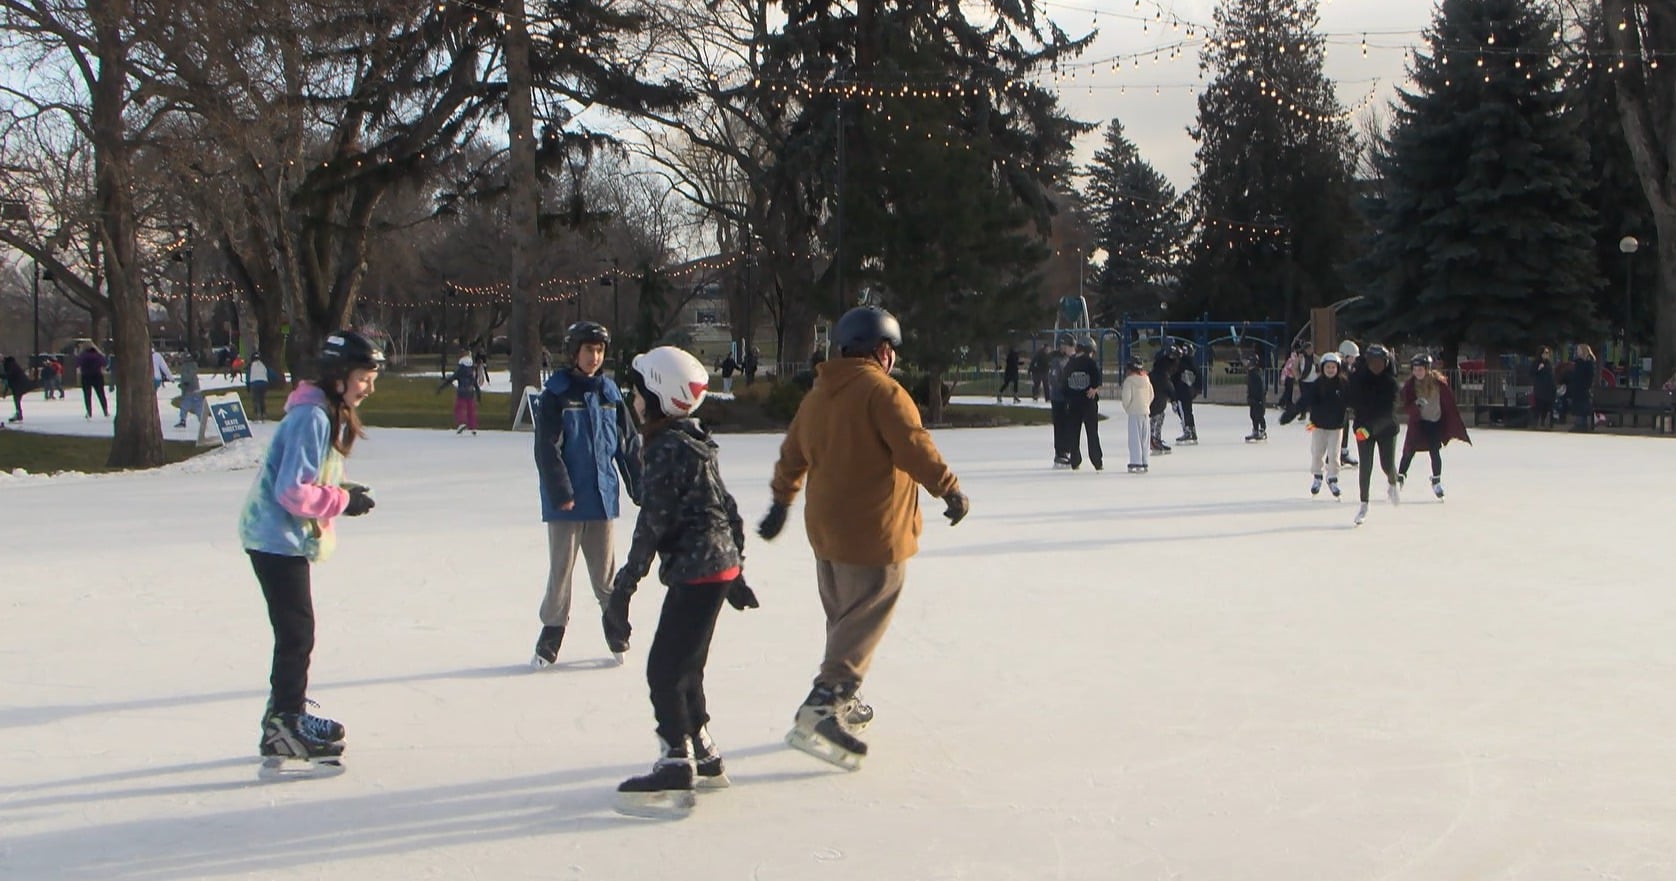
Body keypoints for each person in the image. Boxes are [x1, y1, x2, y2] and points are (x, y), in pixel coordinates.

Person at [758, 305, 968, 770]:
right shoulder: (882, 392)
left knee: (843, 617)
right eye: (890, 348)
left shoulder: (818, 395)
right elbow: (914, 446)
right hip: (874, 531)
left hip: (827, 532)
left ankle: (844, 699)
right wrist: (949, 489)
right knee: (865, 615)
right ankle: (823, 704)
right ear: (881, 351)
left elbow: (792, 453)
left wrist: (781, 501)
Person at [608, 346, 758, 818]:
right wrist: (736, 569)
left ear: (657, 398)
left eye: (638, 393)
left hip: (699, 570)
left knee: (664, 671)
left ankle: (676, 762)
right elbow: (727, 507)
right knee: (686, 666)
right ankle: (706, 755)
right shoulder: (695, 439)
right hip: (717, 566)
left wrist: (623, 588)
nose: (633, 402)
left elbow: (651, 522)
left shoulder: (665, 448)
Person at [238, 330, 383, 777]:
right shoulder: (313, 419)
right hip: (274, 537)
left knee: (296, 631)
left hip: (278, 537)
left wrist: (340, 490)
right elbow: (292, 491)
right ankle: (284, 723)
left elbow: (307, 479)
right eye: (363, 378)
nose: (369, 388)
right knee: (297, 633)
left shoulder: (319, 414)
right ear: (339, 376)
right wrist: (342, 502)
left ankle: (284, 714)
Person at [531, 321, 642, 668]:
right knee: (561, 570)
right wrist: (561, 490)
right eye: (588, 349)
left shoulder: (610, 393)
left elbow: (628, 445)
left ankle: (614, 626)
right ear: (574, 352)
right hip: (566, 501)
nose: (594, 356)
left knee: (605, 572)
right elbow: (547, 449)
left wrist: (638, 486)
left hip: (601, 497)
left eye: (599, 350)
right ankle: (552, 632)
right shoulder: (557, 394)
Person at [1398, 354, 1470, 498]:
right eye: (1415, 369)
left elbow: (1448, 403)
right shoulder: (1410, 385)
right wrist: (1415, 405)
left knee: (1434, 452)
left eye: (1420, 369)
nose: (1417, 372)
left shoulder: (1438, 383)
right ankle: (1399, 478)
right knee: (1408, 451)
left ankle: (1436, 481)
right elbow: (1405, 405)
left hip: (1434, 422)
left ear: (1427, 369)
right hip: (1418, 423)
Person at [1344, 344, 1402, 526]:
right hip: (1363, 428)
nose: (1376, 366)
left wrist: (1372, 428)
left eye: (1380, 362)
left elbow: (1388, 413)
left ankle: (1393, 481)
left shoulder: (1391, 383)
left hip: (1386, 428)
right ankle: (1364, 504)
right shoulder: (1358, 378)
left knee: (1387, 464)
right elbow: (1349, 400)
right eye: (1373, 362)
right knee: (1365, 466)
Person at [1305, 352, 1347, 499]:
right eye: (1328, 367)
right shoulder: (1318, 384)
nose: (1330, 370)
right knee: (1317, 452)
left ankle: (1333, 478)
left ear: (1338, 368)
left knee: (1334, 455)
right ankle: (1317, 476)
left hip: (1336, 427)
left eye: (1333, 367)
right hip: (1319, 425)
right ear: (1322, 368)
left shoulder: (1343, 384)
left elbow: (1350, 401)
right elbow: (1310, 401)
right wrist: (1311, 419)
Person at [1061, 337, 1103, 470]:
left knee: (1074, 432)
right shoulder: (1090, 363)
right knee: (1092, 432)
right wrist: (1094, 388)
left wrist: (1069, 397)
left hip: (1073, 403)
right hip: (1088, 403)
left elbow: (1064, 384)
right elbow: (1097, 379)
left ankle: (1075, 459)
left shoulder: (1070, 363)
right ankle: (1097, 460)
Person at [1120, 355, 1153, 473]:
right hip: (1145, 412)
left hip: (1134, 412)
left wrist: (1128, 408)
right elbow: (1151, 394)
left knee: (1135, 438)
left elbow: (1126, 398)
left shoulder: (1129, 381)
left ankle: (1136, 461)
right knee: (1145, 438)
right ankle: (1145, 461)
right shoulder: (1146, 379)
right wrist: (1146, 405)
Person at [437, 350, 481, 435]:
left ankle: (461, 423)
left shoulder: (460, 370)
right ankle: (473, 427)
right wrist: (478, 395)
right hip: (470, 392)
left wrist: (441, 388)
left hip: (461, 392)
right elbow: (475, 384)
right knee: (470, 410)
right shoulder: (471, 371)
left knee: (458, 408)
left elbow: (451, 379)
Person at [1046, 335, 1073, 467]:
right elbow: (1054, 380)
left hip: (1066, 398)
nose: (1072, 350)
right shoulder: (1057, 361)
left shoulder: (1067, 360)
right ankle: (1060, 452)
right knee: (1060, 425)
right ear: (1064, 346)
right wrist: (1065, 391)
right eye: (1070, 347)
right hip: (1059, 399)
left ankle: (1066, 450)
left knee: (1067, 425)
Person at [1148, 345, 1176, 454]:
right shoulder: (1164, 376)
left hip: (1154, 402)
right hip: (1158, 403)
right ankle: (1153, 440)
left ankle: (1154, 439)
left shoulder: (1153, 374)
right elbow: (1170, 389)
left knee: (1155, 420)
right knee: (1156, 420)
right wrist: (1174, 399)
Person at [1337, 340, 1361, 465]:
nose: (1354, 360)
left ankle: (1343, 452)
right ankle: (1335, 453)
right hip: (1338, 405)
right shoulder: (1339, 368)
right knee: (1338, 429)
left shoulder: (1349, 368)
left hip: (1345, 405)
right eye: (1352, 357)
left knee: (1344, 428)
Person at [1172, 344, 1199, 444]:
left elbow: (1175, 378)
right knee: (1188, 411)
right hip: (1189, 392)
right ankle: (1192, 431)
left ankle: (1188, 431)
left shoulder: (1181, 364)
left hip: (1181, 392)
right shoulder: (1193, 363)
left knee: (1183, 412)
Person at [1570, 344, 1598, 432]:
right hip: (1577, 389)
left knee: (1583, 405)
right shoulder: (1578, 362)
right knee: (1579, 405)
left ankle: (1581, 424)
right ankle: (1579, 423)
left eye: (1579, 350)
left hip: (1584, 389)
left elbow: (1589, 377)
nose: (1577, 352)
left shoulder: (1588, 363)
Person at [77, 344, 110, 419]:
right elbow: (105, 363)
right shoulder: (98, 355)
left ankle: (89, 412)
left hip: (86, 376)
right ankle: (105, 410)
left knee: (87, 395)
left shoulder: (83, 355)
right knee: (101, 394)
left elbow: (78, 363)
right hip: (97, 376)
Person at [174, 355, 205, 429]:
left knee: (184, 406)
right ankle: (202, 421)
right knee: (198, 407)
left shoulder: (185, 367)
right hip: (196, 389)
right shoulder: (194, 366)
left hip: (188, 390)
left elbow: (186, 378)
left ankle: (182, 421)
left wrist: (182, 384)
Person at [1530, 346, 1556, 429]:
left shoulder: (1549, 363)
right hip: (1540, 388)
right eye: (1545, 352)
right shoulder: (1536, 362)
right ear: (1541, 354)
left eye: (1548, 353)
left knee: (1548, 406)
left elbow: (1551, 375)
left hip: (1549, 388)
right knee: (1538, 406)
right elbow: (1532, 373)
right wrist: (1538, 369)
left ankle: (1544, 422)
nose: (1547, 354)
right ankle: (1535, 422)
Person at [1244, 352, 1268, 442]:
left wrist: (1260, 398)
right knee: (1253, 415)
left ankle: (1262, 430)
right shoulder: (1250, 373)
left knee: (1259, 415)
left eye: (1248, 361)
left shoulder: (1256, 373)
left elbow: (1260, 387)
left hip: (1258, 398)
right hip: (1253, 398)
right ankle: (1255, 430)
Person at [3, 355, 33, 422]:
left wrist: (2, 376)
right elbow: (9, 377)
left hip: (20, 384)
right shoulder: (10, 363)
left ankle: (19, 415)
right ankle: (18, 414)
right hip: (19, 384)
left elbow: (9, 374)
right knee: (16, 400)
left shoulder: (10, 364)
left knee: (17, 399)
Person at [245, 352, 274, 422]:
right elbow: (270, 373)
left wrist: (248, 386)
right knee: (262, 399)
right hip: (264, 383)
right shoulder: (263, 365)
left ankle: (256, 414)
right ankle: (263, 413)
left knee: (255, 399)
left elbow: (248, 376)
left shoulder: (250, 366)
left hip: (254, 383)